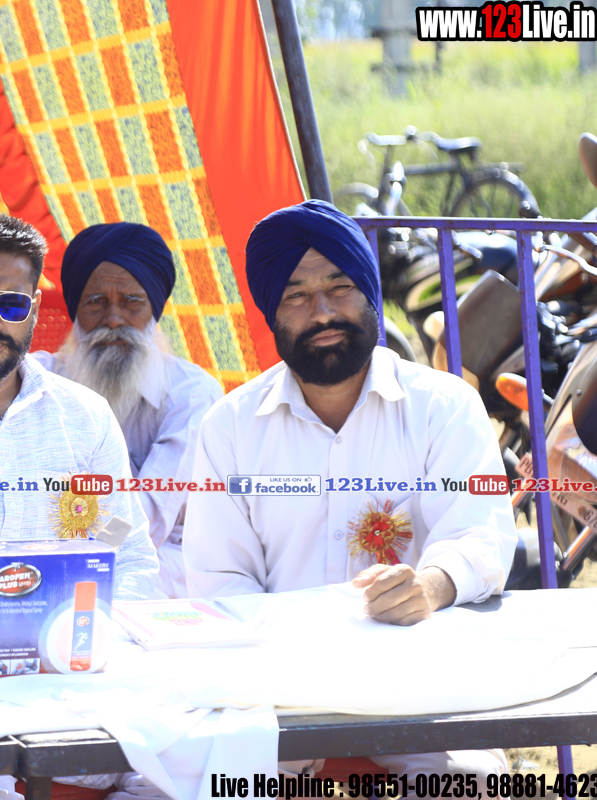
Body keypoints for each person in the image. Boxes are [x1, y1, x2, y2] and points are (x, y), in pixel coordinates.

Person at [183, 200, 515, 777]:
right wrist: (290, 651)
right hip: (276, 693)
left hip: (416, 682)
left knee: (475, 784)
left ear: (370, 295)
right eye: (296, 296)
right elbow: (220, 580)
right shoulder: (230, 428)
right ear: (272, 314)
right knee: (222, 783)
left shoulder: (443, 406)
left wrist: (430, 586)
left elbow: (479, 534)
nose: (322, 312)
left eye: (339, 287)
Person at [0, 160, 219, 596]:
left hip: (144, 568)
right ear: (75, 312)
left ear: (154, 311)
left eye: (131, 302)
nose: (113, 318)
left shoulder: (190, 394)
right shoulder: (36, 374)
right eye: (96, 301)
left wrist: (66, 577)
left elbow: (144, 520)